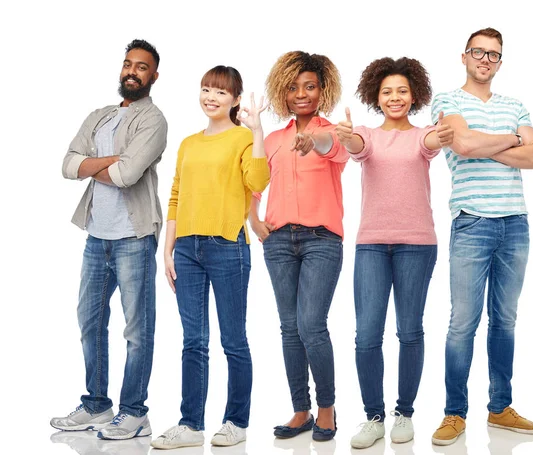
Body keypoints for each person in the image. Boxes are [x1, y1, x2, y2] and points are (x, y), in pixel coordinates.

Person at [430, 27, 533, 446]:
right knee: (463, 322)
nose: (485, 59)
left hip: (515, 223)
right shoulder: (447, 100)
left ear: (500, 61)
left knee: (506, 320)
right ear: (464, 56)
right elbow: (461, 144)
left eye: (494, 55)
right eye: (478, 52)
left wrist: (486, 143)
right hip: (472, 221)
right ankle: (453, 413)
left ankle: (500, 408)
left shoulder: (515, 105)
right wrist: (512, 139)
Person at [335, 57, 453, 449]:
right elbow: (354, 146)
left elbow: (435, 142)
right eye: (387, 92)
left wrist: (446, 131)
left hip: (417, 246)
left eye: (402, 91)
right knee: (367, 335)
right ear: (376, 96)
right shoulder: (367, 135)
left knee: (409, 330)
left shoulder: (422, 135)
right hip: (371, 244)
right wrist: (346, 134)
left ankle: (404, 412)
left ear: (414, 95)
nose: (395, 97)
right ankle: (373, 416)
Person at [52, 39, 167, 440]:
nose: (132, 71)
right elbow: (67, 165)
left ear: (154, 76)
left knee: (137, 329)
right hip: (96, 236)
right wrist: (107, 162)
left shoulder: (154, 121)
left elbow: (127, 176)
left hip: (133, 237)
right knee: (90, 321)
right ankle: (97, 405)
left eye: (141, 66)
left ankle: (135, 412)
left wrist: (92, 166)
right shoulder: (100, 116)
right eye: (127, 64)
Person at [150, 66, 270, 450]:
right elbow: (175, 196)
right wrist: (167, 249)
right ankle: (191, 425)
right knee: (193, 341)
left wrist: (257, 132)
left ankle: (236, 422)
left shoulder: (240, 138)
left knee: (233, 340)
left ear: (235, 99)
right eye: (206, 89)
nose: (211, 97)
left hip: (227, 246)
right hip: (186, 249)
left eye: (220, 92)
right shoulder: (187, 143)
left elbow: (258, 182)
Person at [249, 51, 348, 442]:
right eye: (293, 88)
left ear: (322, 91)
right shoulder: (273, 140)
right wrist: (254, 219)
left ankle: (327, 408)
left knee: (311, 324)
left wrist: (316, 139)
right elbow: (254, 182)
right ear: (283, 94)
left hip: (322, 240)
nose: (302, 94)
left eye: (309, 86)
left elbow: (331, 147)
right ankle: (300, 410)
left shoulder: (335, 133)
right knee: (290, 328)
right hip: (278, 242)